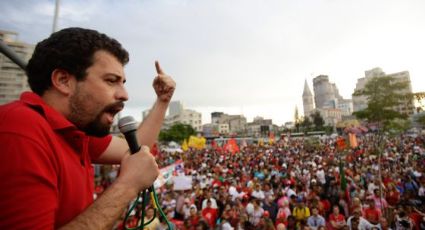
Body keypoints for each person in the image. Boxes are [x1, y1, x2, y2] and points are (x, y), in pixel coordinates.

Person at [0, 27, 176, 229]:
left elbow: (137, 149)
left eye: (123, 83)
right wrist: (127, 186)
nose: (124, 94)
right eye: (111, 81)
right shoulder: (19, 131)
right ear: (63, 81)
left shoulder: (74, 133)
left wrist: (163, 101)